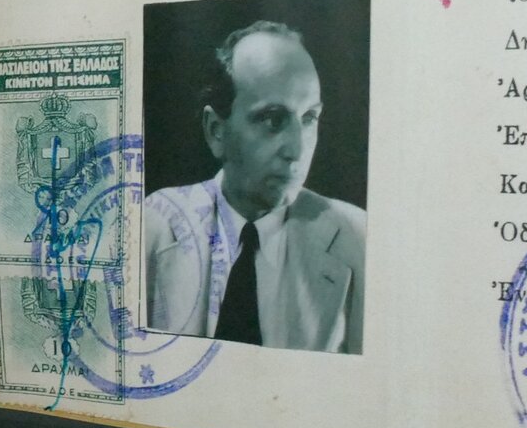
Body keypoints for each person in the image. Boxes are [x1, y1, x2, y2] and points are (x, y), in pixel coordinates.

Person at [142, 20, 366, 353]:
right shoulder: (151, 226)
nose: (298, 150)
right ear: (216, 131)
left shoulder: (357, 240)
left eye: (309, 119)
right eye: (273, 119)